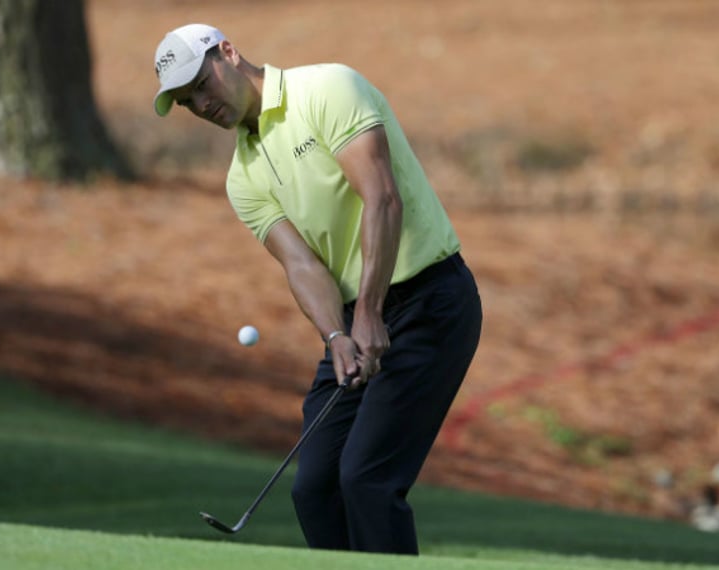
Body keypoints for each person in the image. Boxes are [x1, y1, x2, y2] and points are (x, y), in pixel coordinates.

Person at [152, 24, 483, 554]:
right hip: (355, 319)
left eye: (200, 83)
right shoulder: (243, 177)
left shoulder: (328, 89)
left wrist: (369, 314)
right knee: (315, 489)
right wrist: (336, 333)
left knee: (367, 481)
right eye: (186, 101)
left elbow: (382, 199)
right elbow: (302, 265)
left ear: (229, 53)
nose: (200, 103)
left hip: (430, 302)